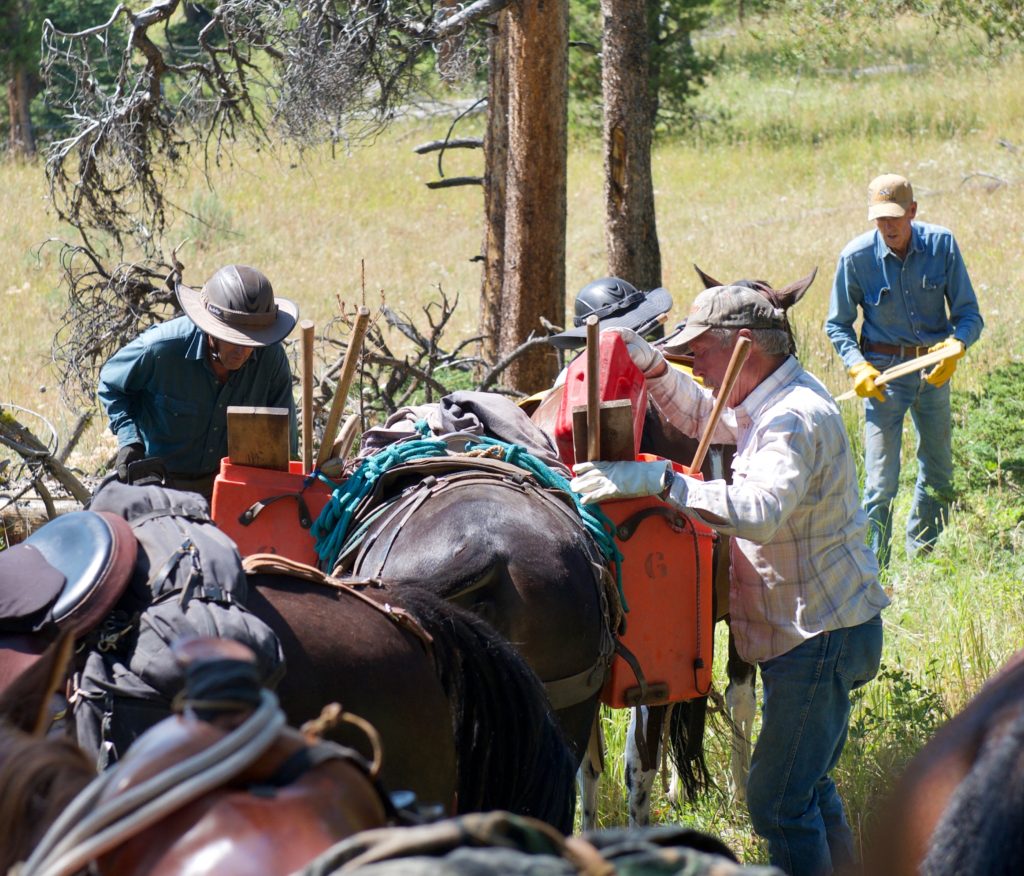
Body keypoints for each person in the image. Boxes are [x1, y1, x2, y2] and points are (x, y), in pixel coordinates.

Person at [570, 285, 890, 876]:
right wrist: (655, 367)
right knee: (810, 787)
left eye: (701, 353)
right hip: (824, 628)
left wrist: (662, 482)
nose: (697, 367)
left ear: (743, 347)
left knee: (777, 802)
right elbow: (704, 413)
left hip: (819, 638)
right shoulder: (770, 397)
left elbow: (761, 511)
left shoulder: (792, 417)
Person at [825, 174, 983, 568]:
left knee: (939, 473)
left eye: (895, 217)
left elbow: (969, 315)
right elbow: (837, 324)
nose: (888, 226)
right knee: (880, 483)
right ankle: (875, 569)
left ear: (912, 211)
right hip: (883, 379)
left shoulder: (942, 245)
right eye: (880, 219)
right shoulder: (855, 258)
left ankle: (923, 557)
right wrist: (857, 366)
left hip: (933, 371)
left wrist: (957, 345)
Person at [98, 264, 299, 498]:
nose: (242, 351)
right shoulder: (160, 348)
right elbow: (111, 384)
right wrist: (130, 440)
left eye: (252, 341)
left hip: (229, 485)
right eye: (233, 339)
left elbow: (284, 440)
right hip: (159, 484)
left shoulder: (271, 359)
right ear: (211, 329)